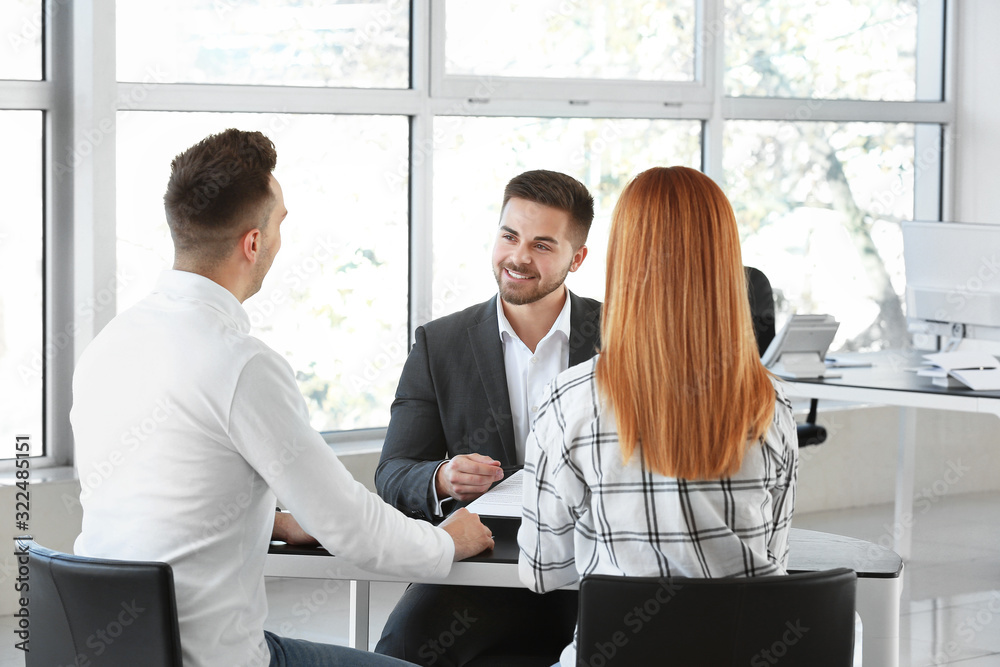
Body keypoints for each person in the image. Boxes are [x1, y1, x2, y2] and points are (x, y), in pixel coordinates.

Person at [71, 129, 494, 667]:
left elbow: (142, 487)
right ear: (253, 242)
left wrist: (265, 517)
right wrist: (447, 541)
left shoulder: (111, 343)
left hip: (117, 651)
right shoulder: (239, 363)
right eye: (280, 223)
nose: (279, 239)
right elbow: (351, 527)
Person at [517, 166, 799, 666]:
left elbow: (544, 571)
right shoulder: (770, 403)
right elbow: (773, 561)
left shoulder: (570, 401)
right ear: (725, 265)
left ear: (623, 263)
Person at [374, 170, 601, 665]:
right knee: (403, 648)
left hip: (595, 565)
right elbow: (393, 471)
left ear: (577, 258)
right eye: (509, 236)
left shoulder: (622, 337)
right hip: (482, 564)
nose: (518, 257)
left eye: (542, 244)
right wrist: (441, 476)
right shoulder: (441, 344)